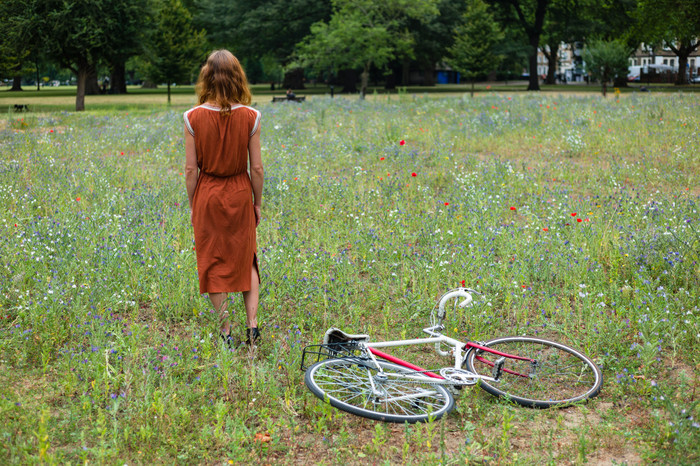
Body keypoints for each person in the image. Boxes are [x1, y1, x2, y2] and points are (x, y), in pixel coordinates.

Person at [183, 49, 264, 348]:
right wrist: (257, 203)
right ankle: (252, 327)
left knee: (212, 262)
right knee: (247, 260)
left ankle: (226, 332)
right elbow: (256, 167)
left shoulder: (191, 117)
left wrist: (194, 204)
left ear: (207, 77)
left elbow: (191, 169)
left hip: (208, 193)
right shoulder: (252, 116)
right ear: (237, 76)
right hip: (240, 191)